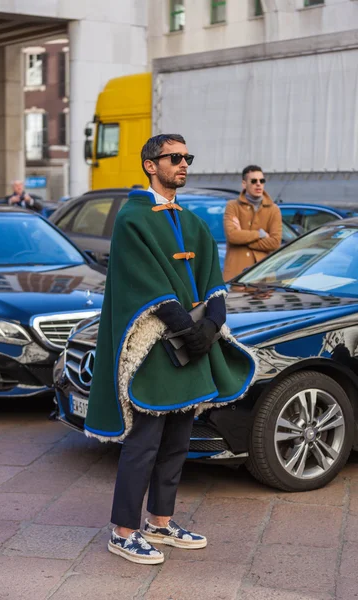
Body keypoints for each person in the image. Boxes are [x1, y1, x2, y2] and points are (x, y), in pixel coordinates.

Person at [84, 133, 256, 565]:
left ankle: (160, 522)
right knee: (143, 442)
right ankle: (124, 531)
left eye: (187, 158)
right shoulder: (132, 219)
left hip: (191, 347)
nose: (183, 164)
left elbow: (213, 279)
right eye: (174, 158)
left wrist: (212, 324)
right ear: (149, 164)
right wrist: (186, 326)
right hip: (154, 347)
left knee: (179, 440)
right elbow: (143, 284)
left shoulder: (192, 220)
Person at [223, 165, 282, 281]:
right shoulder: (232, 206)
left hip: (263, 276)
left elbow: (275, 243)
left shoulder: (273, 209)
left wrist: (243, 238)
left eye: (262, 181)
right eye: (254, 181)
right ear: (244, 184)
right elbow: (232, 236)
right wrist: (260, 234)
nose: (258, 184)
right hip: (236, 275)